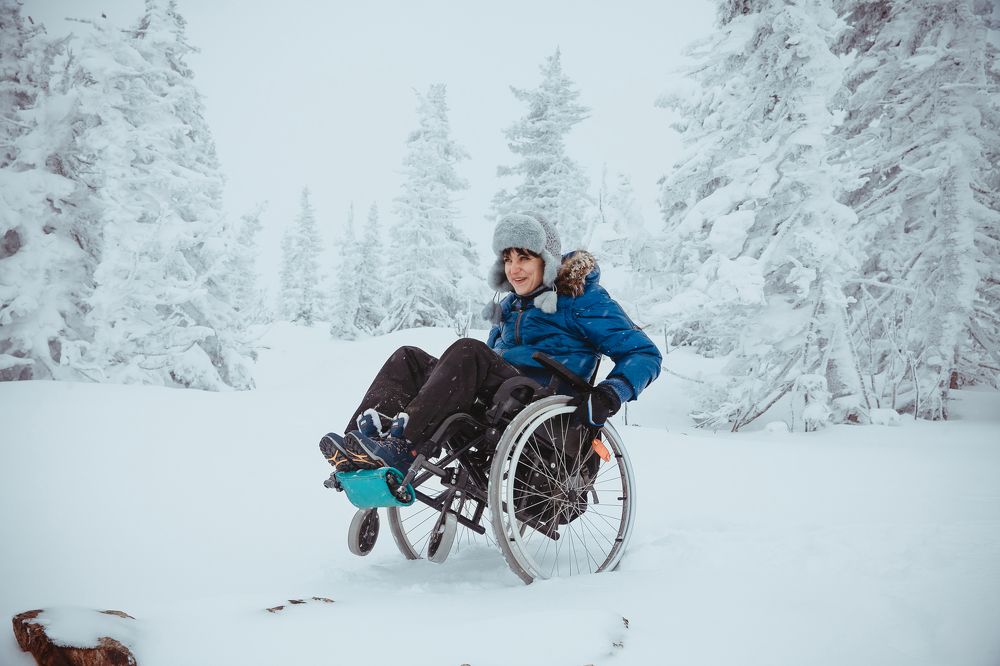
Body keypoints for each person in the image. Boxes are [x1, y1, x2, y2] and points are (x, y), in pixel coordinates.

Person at [319, 211, 661, 474]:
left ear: (548, 261)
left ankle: (402, 447)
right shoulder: (510, 307)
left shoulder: (582, 299)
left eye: (524, 258)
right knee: (408, 359)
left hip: (544, 405)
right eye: (508, 259)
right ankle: (359, 447)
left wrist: (611, 393)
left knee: (469, 351)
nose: (514, 269)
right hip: (498, 403)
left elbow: (644, 353)